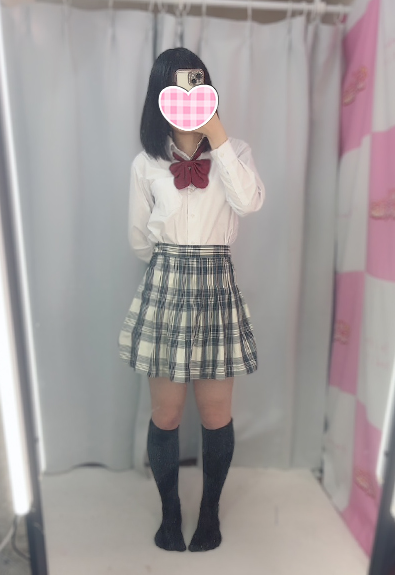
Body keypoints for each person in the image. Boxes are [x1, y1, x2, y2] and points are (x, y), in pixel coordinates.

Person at [118, 47, 266, 552]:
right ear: (160, 95)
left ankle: (209, 512)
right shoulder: (146, 163)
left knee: (216, 414)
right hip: (166, 284)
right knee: (166, 414)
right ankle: (170, 512)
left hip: (216, 286)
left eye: (197, 85)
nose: (188, 95)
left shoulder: (236, 151)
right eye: (178, 86)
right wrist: (172, 267)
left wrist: (217, 137)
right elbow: (139, 238)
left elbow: (248, 201)